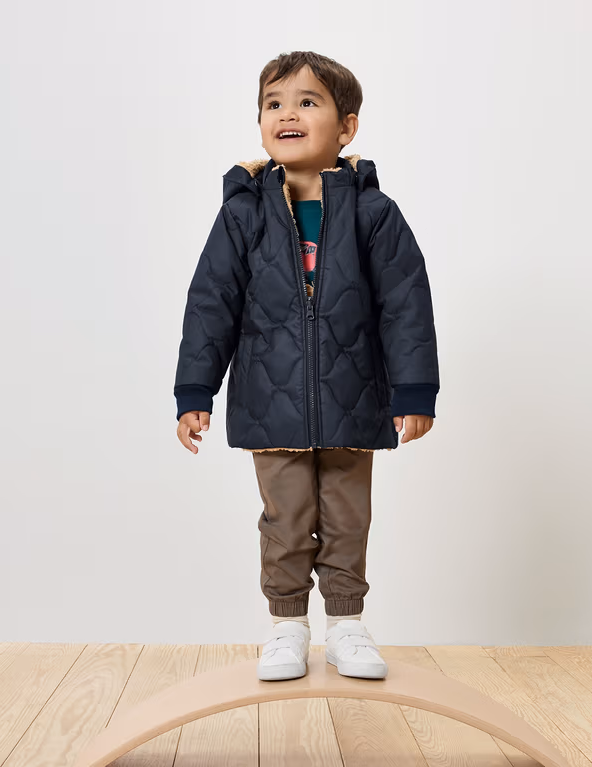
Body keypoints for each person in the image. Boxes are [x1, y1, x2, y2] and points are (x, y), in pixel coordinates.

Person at [173, 51, 440, 681]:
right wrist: (195, 390)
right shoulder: (243, 214)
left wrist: (414, 391)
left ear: (346, 127)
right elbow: (211, 301)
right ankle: (287, 628)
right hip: (271, 401)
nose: (287, 114)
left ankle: (347, 626)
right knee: (285, 520)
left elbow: (406, 302)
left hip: (355, 396)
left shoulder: (373, 213)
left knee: (348, 518)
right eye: (274, 104)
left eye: (307, 102)